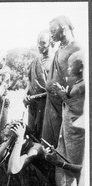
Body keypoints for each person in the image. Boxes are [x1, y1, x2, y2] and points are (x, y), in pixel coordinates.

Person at [50, 50, 85, 186]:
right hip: (68, 129)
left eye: (71, 66)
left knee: (75, 160)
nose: (68, 69)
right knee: (64, 156)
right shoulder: (77, 83)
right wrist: (64, 92)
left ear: (81, 68)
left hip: (76, 131)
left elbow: (78, 108)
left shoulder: (83, 85)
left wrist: (62, 94)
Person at [41, 15, 81, 148]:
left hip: (64, 101)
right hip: (52, 100)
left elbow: (77, 77)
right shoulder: (59, 48)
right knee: (48, 138)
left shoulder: (76, 48)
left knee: (61, 140)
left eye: (53, 31)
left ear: (63, 28)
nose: (51, 35)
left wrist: (64, 94)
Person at [23, 30, 53, 140]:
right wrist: (25, 95)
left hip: (47, 104)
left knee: (45, 136)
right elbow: (30, 81)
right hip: (33, 104)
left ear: (50, 42)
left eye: (43, 43)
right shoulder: (35, 61)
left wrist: (35, 97)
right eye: (38, 43)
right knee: (32, 135)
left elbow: (54, 88)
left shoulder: (54, 61)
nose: (40, 46)